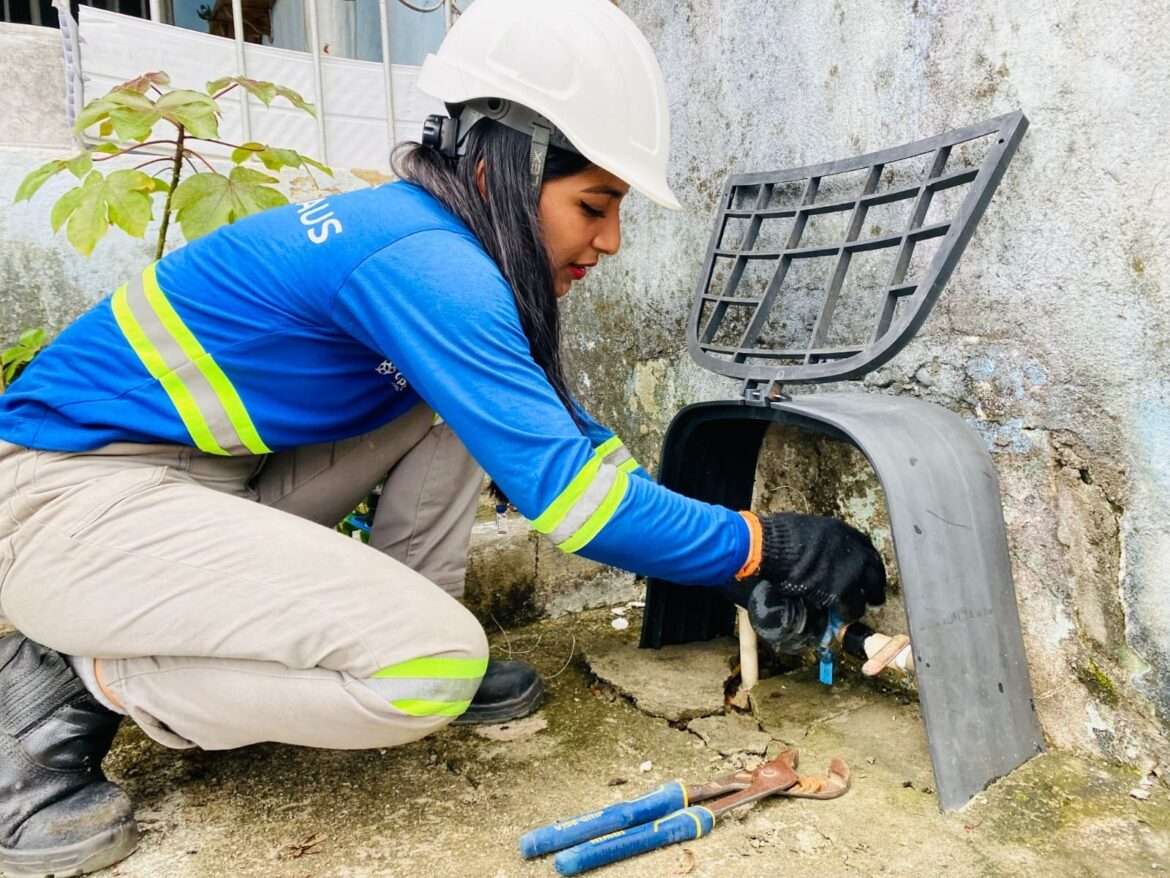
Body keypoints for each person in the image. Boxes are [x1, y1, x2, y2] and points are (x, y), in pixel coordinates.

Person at [0, 0, 886, 874]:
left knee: (453, 411)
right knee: (427, 669)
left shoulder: (430, 245)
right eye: (594, 205)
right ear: (508, 167)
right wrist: (761, 546)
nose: (611, 240)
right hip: (60, 504)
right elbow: (573, 503)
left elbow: (565, 442)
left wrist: (732, 551)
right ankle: (84, 676)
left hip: (188, 487)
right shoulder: (424, 263)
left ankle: (399, 625)